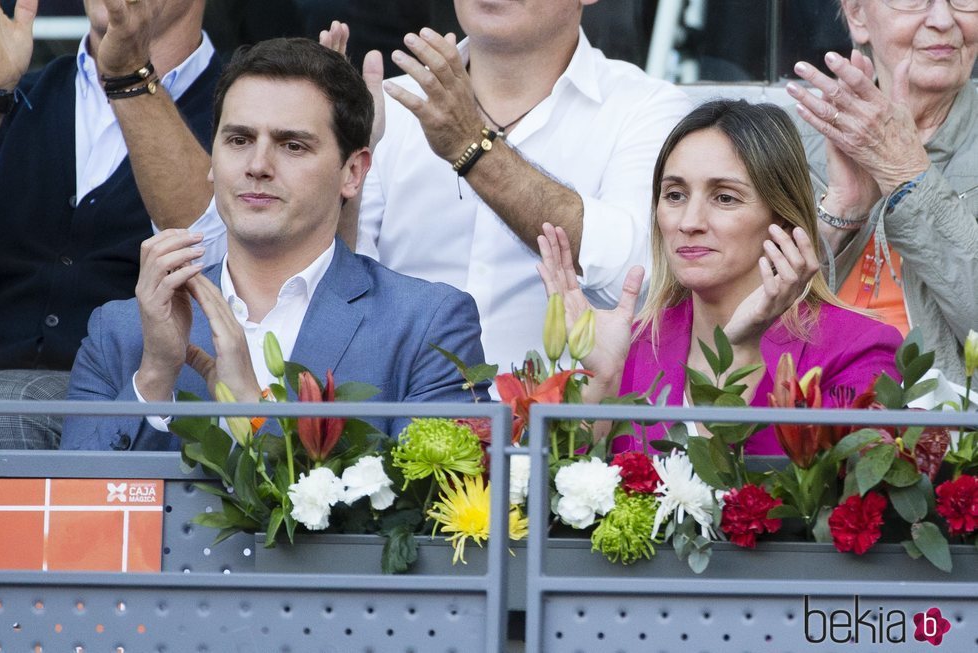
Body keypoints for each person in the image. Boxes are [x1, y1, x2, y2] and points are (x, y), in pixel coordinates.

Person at [60, 38, 488, 451]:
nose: (258, 166)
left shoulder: (427, 326)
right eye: (239, 140)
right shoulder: (119, 332)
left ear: (353, 172)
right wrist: (154, 377)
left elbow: (435, 513)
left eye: (292, 145)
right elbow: (64, 511)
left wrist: (255, 415)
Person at [538, 100, 903, 455]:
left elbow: (806, 502)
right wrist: (604, 380)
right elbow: (564, 505)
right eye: (675, 195)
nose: (690, 222)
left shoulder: (859, 348)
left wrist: (741, 351)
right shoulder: (633, 344)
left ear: (783, 219)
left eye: (725, 198)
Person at [350, 0, 692, 376]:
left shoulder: (645, 107)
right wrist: (324, 179)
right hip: (397, 422)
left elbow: (635, 275)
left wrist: (473, 147)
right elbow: (339, 285)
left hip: (568, 427)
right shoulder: (388, 105)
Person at [0, 0, 221, 447]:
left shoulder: (245, 110)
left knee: (11, 408)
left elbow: (207, 244)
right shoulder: (24, 88)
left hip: (138, 394)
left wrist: (130, 77)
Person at [787, 0, 978, 384]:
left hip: (949, 438)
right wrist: (840, 213)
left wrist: (909, 175)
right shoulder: (791, 142)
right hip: (799, 431)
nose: (943, 20)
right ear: (857, 15)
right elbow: (734, 330)